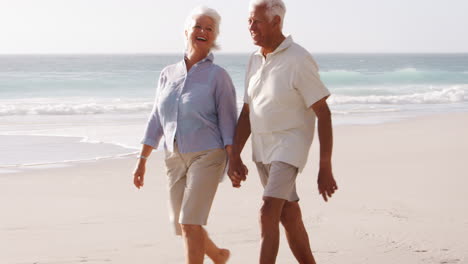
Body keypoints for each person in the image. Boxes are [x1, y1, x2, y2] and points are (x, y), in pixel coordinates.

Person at [227, 0, 338, 263]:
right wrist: (234, 155)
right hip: (262, 148)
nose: (251, 27)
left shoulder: (298, 59)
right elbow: (246, 112)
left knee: (267, 212)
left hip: (290, 146)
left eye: (257, 21)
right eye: (249, 22)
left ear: (277, 22)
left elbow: (323, 112)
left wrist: (325, 166)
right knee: (289, 215)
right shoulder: (254, 60)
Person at [133, 6, 236, 264]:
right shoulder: (167, 74)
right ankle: (218, 255)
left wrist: (234, 160)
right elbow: (157, 117)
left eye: (209, 29)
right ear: (186, 31)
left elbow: (228, 122)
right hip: (174, 156)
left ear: (214, 37)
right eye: (198, 26)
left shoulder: (218, 76)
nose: (202, 31)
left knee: (190, 222)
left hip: (208, 155)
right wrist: (142, 159)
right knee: (181, 224)